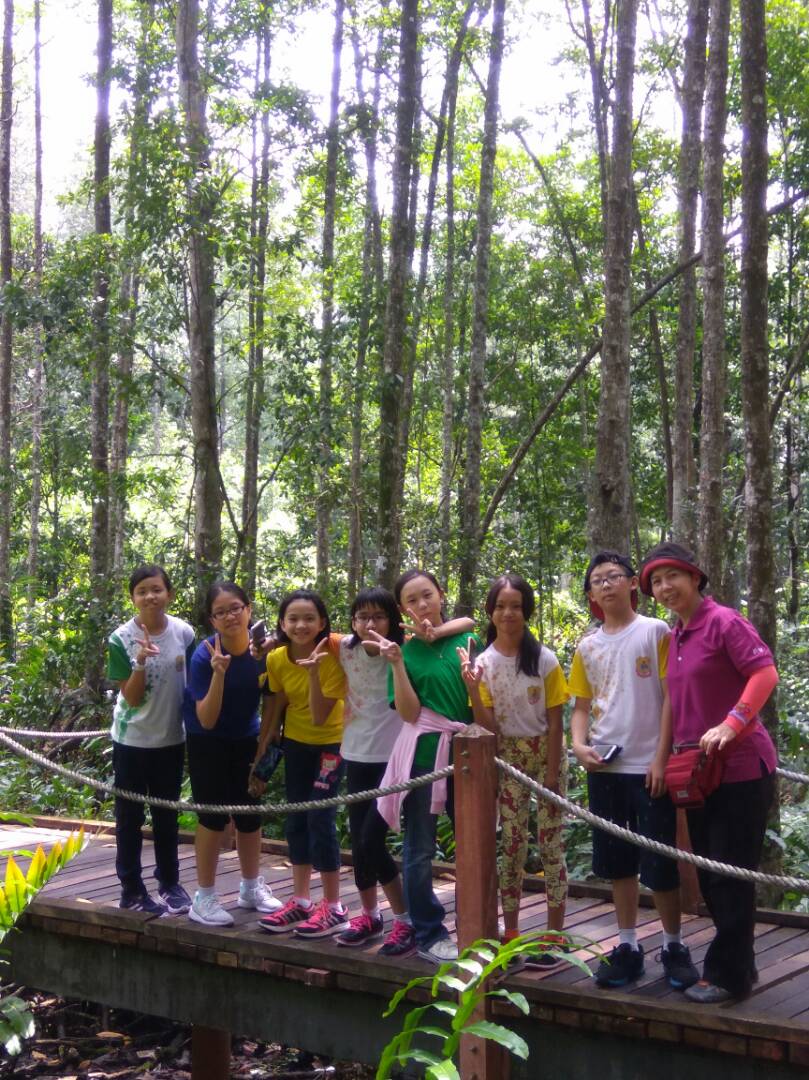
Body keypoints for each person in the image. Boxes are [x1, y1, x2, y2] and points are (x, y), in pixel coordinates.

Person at [639, 542, 779, 1004]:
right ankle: (739, 965)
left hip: (741, 768)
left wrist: (731, 723)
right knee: (709, 870)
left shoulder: (723, 622)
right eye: (656, 582)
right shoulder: (676, 636)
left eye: (672, 576)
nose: (665, 587)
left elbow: (764, 674)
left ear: (695, 577)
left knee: (729, 873)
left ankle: (728, 977)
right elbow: (677, 702)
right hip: (699, 774)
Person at [568, 551, 698, 990]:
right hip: (605, 766)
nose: (606, 585)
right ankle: (627, 945)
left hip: (649, 766)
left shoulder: (654, 631)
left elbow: (670, 697)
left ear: (631, 584)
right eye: (597, 580)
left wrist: (661, 759)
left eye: (614, 576)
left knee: (660, 861)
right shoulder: (587, 646)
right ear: (590, 594)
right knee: (617, 862)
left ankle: (674, 945)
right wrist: (578, 745)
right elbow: (581, 706)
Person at [461, 573, 570, 969]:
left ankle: (555, 934)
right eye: (501, 606)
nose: (508, 613)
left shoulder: (545, 660)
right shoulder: (484, 663)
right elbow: (488, 727)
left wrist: (553, 775)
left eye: (516, 606)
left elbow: (556, 723)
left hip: (547, 756)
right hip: (508, 759)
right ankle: (511, 933)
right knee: (511, 846)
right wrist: (472, 688)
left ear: (527, 612)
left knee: (551, 845)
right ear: (490, 611)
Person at [370, 569, 476, 965]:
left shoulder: (466, 640)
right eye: (411, 600)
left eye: (427, 595)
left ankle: (477, 924)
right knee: (419, 848)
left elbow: (479, 695)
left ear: (441, 595)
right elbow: (409, 713)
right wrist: (398, 664)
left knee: (474, 842)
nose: (422, 605)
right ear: (402, 610)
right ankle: (429, 932)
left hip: (468, 753)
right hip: (422, 756)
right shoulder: (403, 652)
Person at [183, 582, 283, 927]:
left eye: (236, 608)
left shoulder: (264, 652)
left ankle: (251, 888)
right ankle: (204, 897)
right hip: (207, 740)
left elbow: (272, 698)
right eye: (221, 612)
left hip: (247, 737)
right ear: (212, 620)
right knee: (212, 816)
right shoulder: (204, 655)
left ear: (249, 610)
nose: (230, 617)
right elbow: (206, 719)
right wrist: (219, 673)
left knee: (249, 813)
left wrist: (264, 744)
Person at [256, 589, 350, 938]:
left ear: (322, 622)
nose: (301, 625)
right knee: (296, 817)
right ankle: (301, 900)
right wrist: (267, 741)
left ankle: (334, 906)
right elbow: (279, 699)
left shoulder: (334, 655)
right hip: (296, 744)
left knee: (320, 817)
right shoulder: (277, 658)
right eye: (293, 619)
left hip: (332, 744)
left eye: (309, 618)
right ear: (282, 624)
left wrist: (314, 669)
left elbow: (322, 712)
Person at [107, 564, 196, 915]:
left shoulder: (183, 633)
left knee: (166, 816)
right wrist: (140, 662)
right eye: (142, 591)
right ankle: (131, 890)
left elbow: (194, 682)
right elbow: (130, 698)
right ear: (133, 598)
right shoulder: (121, 638)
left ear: (169, 594)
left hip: (171, 739)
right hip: (131, 740)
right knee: (129, 818)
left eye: (156, 589)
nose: (150, 596)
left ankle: (170, 884)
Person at [329, 588, 408, 947]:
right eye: (362, 617)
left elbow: (462, 626)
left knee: (370, 839)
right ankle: (370, 915)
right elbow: (304, 635)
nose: (369, 624)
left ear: (391, 620)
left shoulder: (404, 652)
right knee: (359, 841)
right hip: (356, 753)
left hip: (394, 758)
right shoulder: (345, 647)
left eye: (378, 616)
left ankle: (404, 919)